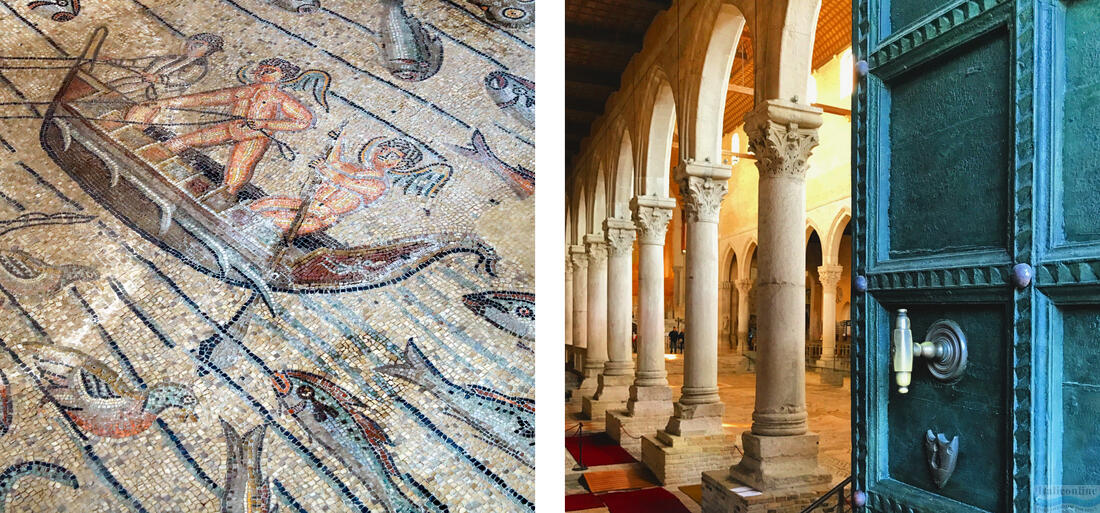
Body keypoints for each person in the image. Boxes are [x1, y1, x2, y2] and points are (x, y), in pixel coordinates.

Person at [124, 58, 314, 208]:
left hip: (255, 137)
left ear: (282, 77)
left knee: (235, 176)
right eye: (261, 69)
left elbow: (304, 120)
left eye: (270, 71)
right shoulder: (245, 91)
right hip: (232, 127)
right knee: (181, 142)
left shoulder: (279, 98)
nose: (262, 74)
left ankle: (216, 206)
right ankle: (144, 167)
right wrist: (166, 103)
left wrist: (265, 123)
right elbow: (208, 98)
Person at [249, 133, 423, 235]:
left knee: (273, 218)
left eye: (392, 155)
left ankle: (243, 231)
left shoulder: (379, 185)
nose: (384, 154)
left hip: (320, 217)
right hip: (306, 204)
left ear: (399, 165)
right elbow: (337, 163)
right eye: (384, 149)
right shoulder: (359, 169)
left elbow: (347, 182)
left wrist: (324, 170)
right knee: (266, 203)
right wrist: (339, 139)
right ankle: (235, 219)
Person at [105, 33, 224, 100]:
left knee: (117, 96)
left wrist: (157, 79)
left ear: (208, 50)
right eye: (192, 42)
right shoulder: (175, 57)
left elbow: (181, 80)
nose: (191, 46)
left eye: (198, 45)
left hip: (152, 93)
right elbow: (142, 62)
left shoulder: (199, 67)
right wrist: (116, 61)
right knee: (109, 87)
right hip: (139, 80)